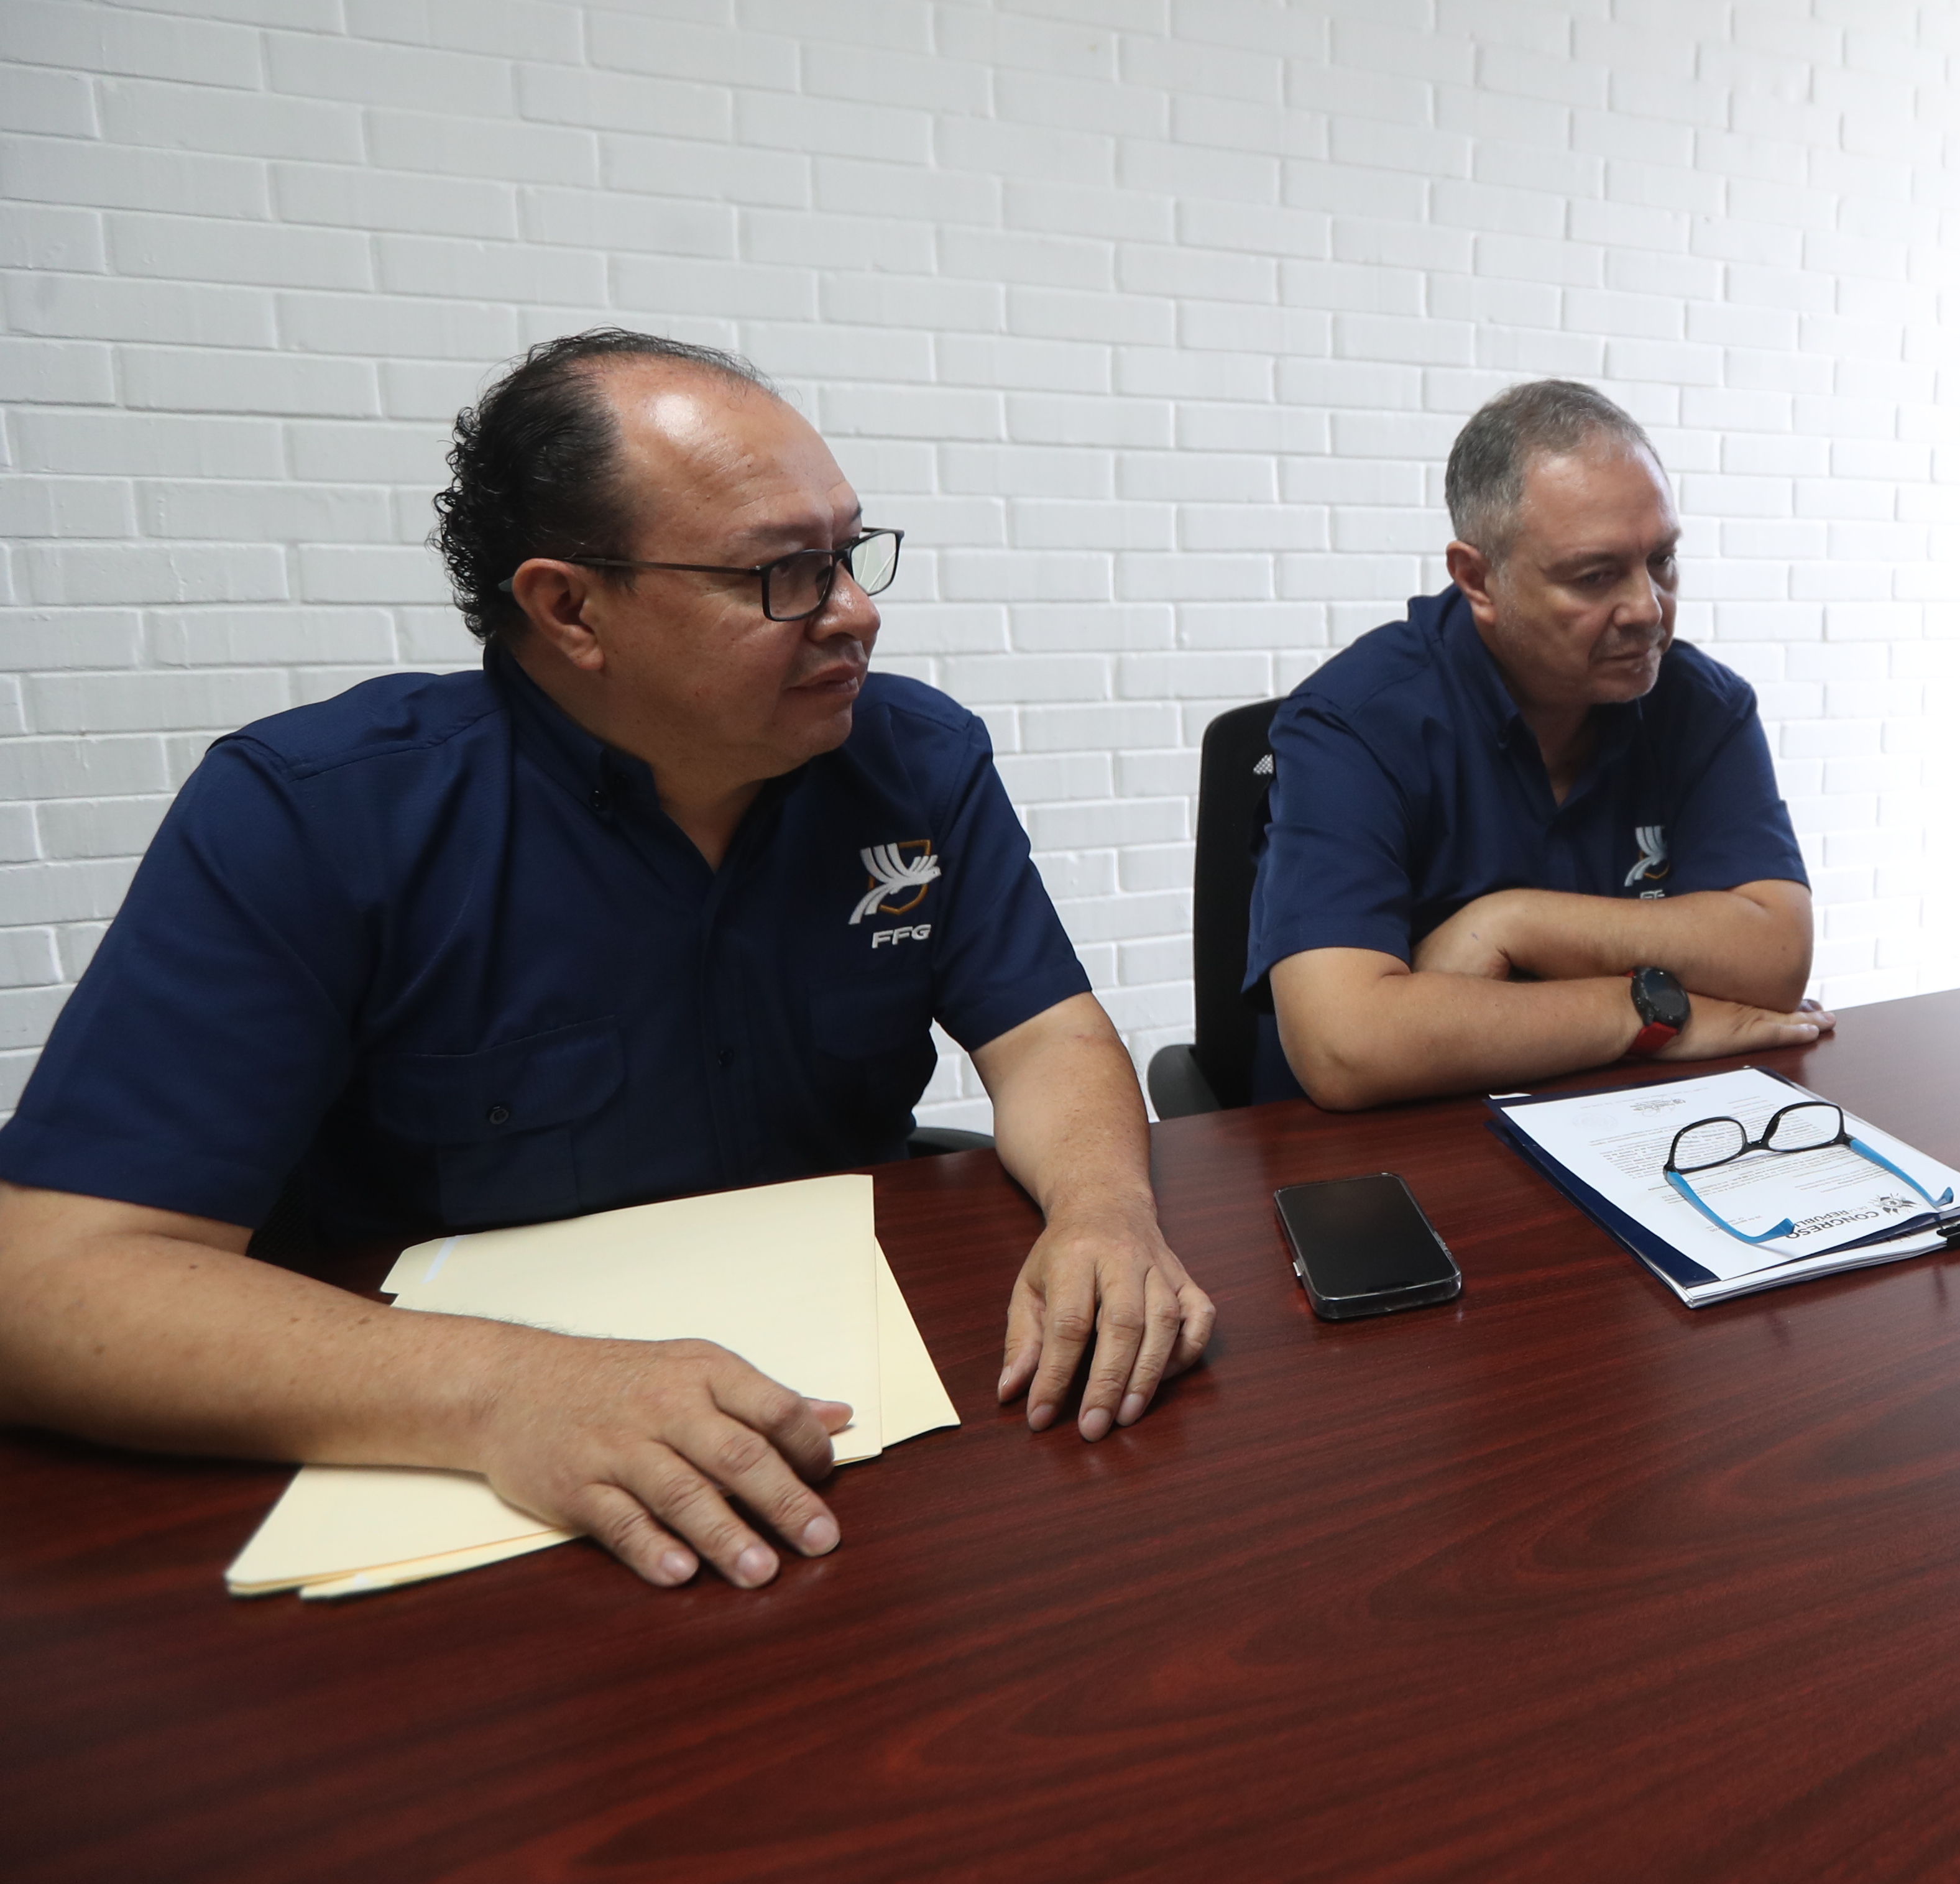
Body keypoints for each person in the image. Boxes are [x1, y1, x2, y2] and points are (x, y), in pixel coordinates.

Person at [0, 333, 1213, 1591]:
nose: (856, 610)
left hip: (857, 1447)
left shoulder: (915, 759)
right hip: (475, 1497)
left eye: (849, 553)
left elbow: (1048, 1036)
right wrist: (500, 1390)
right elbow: (47, 1292)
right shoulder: (318, 815)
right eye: (785, 573)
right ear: (570, 608)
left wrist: (1104, 1213)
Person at [1248, 380, 1829, 1108]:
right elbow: (1349, 1046)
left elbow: (1773, 958)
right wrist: (1649, 1011)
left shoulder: (1702, 706)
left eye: (1662, 561)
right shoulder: (1352, 723)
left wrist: (1512, 921)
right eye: (1595, 576)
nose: (1648, 609)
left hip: (1620, 1121)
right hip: (1391, 1156)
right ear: (1478, 579)